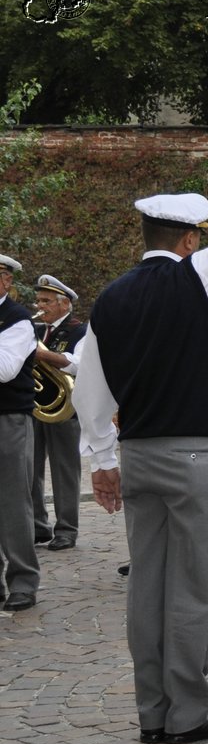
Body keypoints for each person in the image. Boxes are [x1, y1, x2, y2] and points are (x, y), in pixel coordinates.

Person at [74, 119, 208, 744]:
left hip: (137, 455)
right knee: (192, 589)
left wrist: (102, 460)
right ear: (190, 239)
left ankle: (151, 713)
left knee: (147, 588)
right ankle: (186, 714)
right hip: (197, 457)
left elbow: (90, 388)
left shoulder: (109, 299)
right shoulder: (200, 275)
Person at [29, 274, 86, 551]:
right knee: (30, 469)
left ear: (64, 304)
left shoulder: (80, 331)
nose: (40, 306)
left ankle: (66, 529)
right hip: (34, 408)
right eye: (39, 300)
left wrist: (42, 355)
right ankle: (38, 525)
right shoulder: (35, 330)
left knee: (64, 471)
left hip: (65, 411)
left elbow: (78, 365)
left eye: (46, 301)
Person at [0, 253, 40, 612]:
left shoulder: (17, 319)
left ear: (6, 281)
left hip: (8, 419)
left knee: (13, 503)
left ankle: (23, 581)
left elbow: (6, 368)